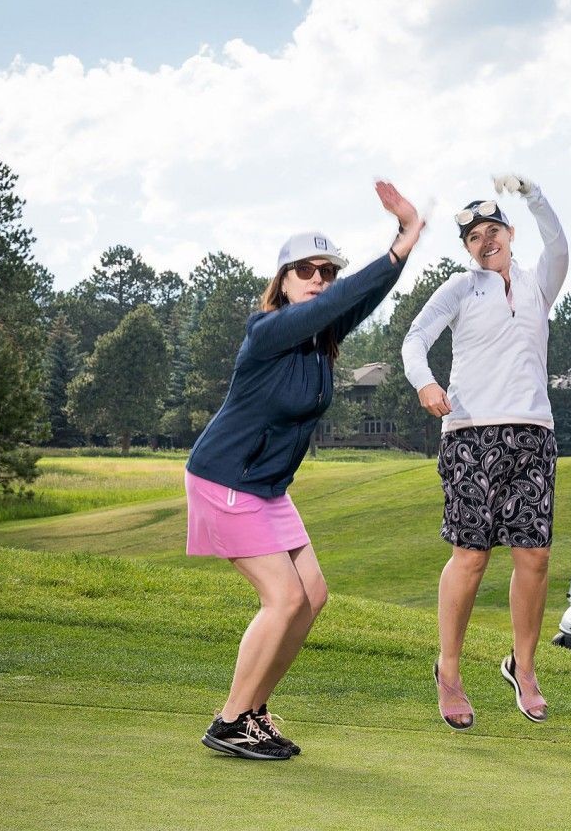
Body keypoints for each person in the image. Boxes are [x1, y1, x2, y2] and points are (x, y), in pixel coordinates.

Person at [186, 181, 422, 759]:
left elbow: (360, 300)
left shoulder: (321, 340)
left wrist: (406, 238)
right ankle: (229, 720)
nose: (319, 279)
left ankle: (254, 709)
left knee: (312, 595)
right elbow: (338, 303)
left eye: (327, 271)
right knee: (284, 600)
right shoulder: (266, 332)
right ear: (283, 280)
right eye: (306, 270)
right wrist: (396, 247)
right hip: (226, 481)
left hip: (266, 488)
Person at [402, 174, 568, 729]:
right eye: (474, 236)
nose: (485, 240)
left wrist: (534, 192)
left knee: (535, 557)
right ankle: (448, 670)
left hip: (533, 434)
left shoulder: (539, 284)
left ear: (509, 233)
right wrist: (426, 384)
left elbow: (559, 244)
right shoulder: (460, 287)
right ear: (467, 248)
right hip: (470, 433)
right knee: (471, 557)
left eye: (493, 229)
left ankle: (523, 667)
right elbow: (414, 339)